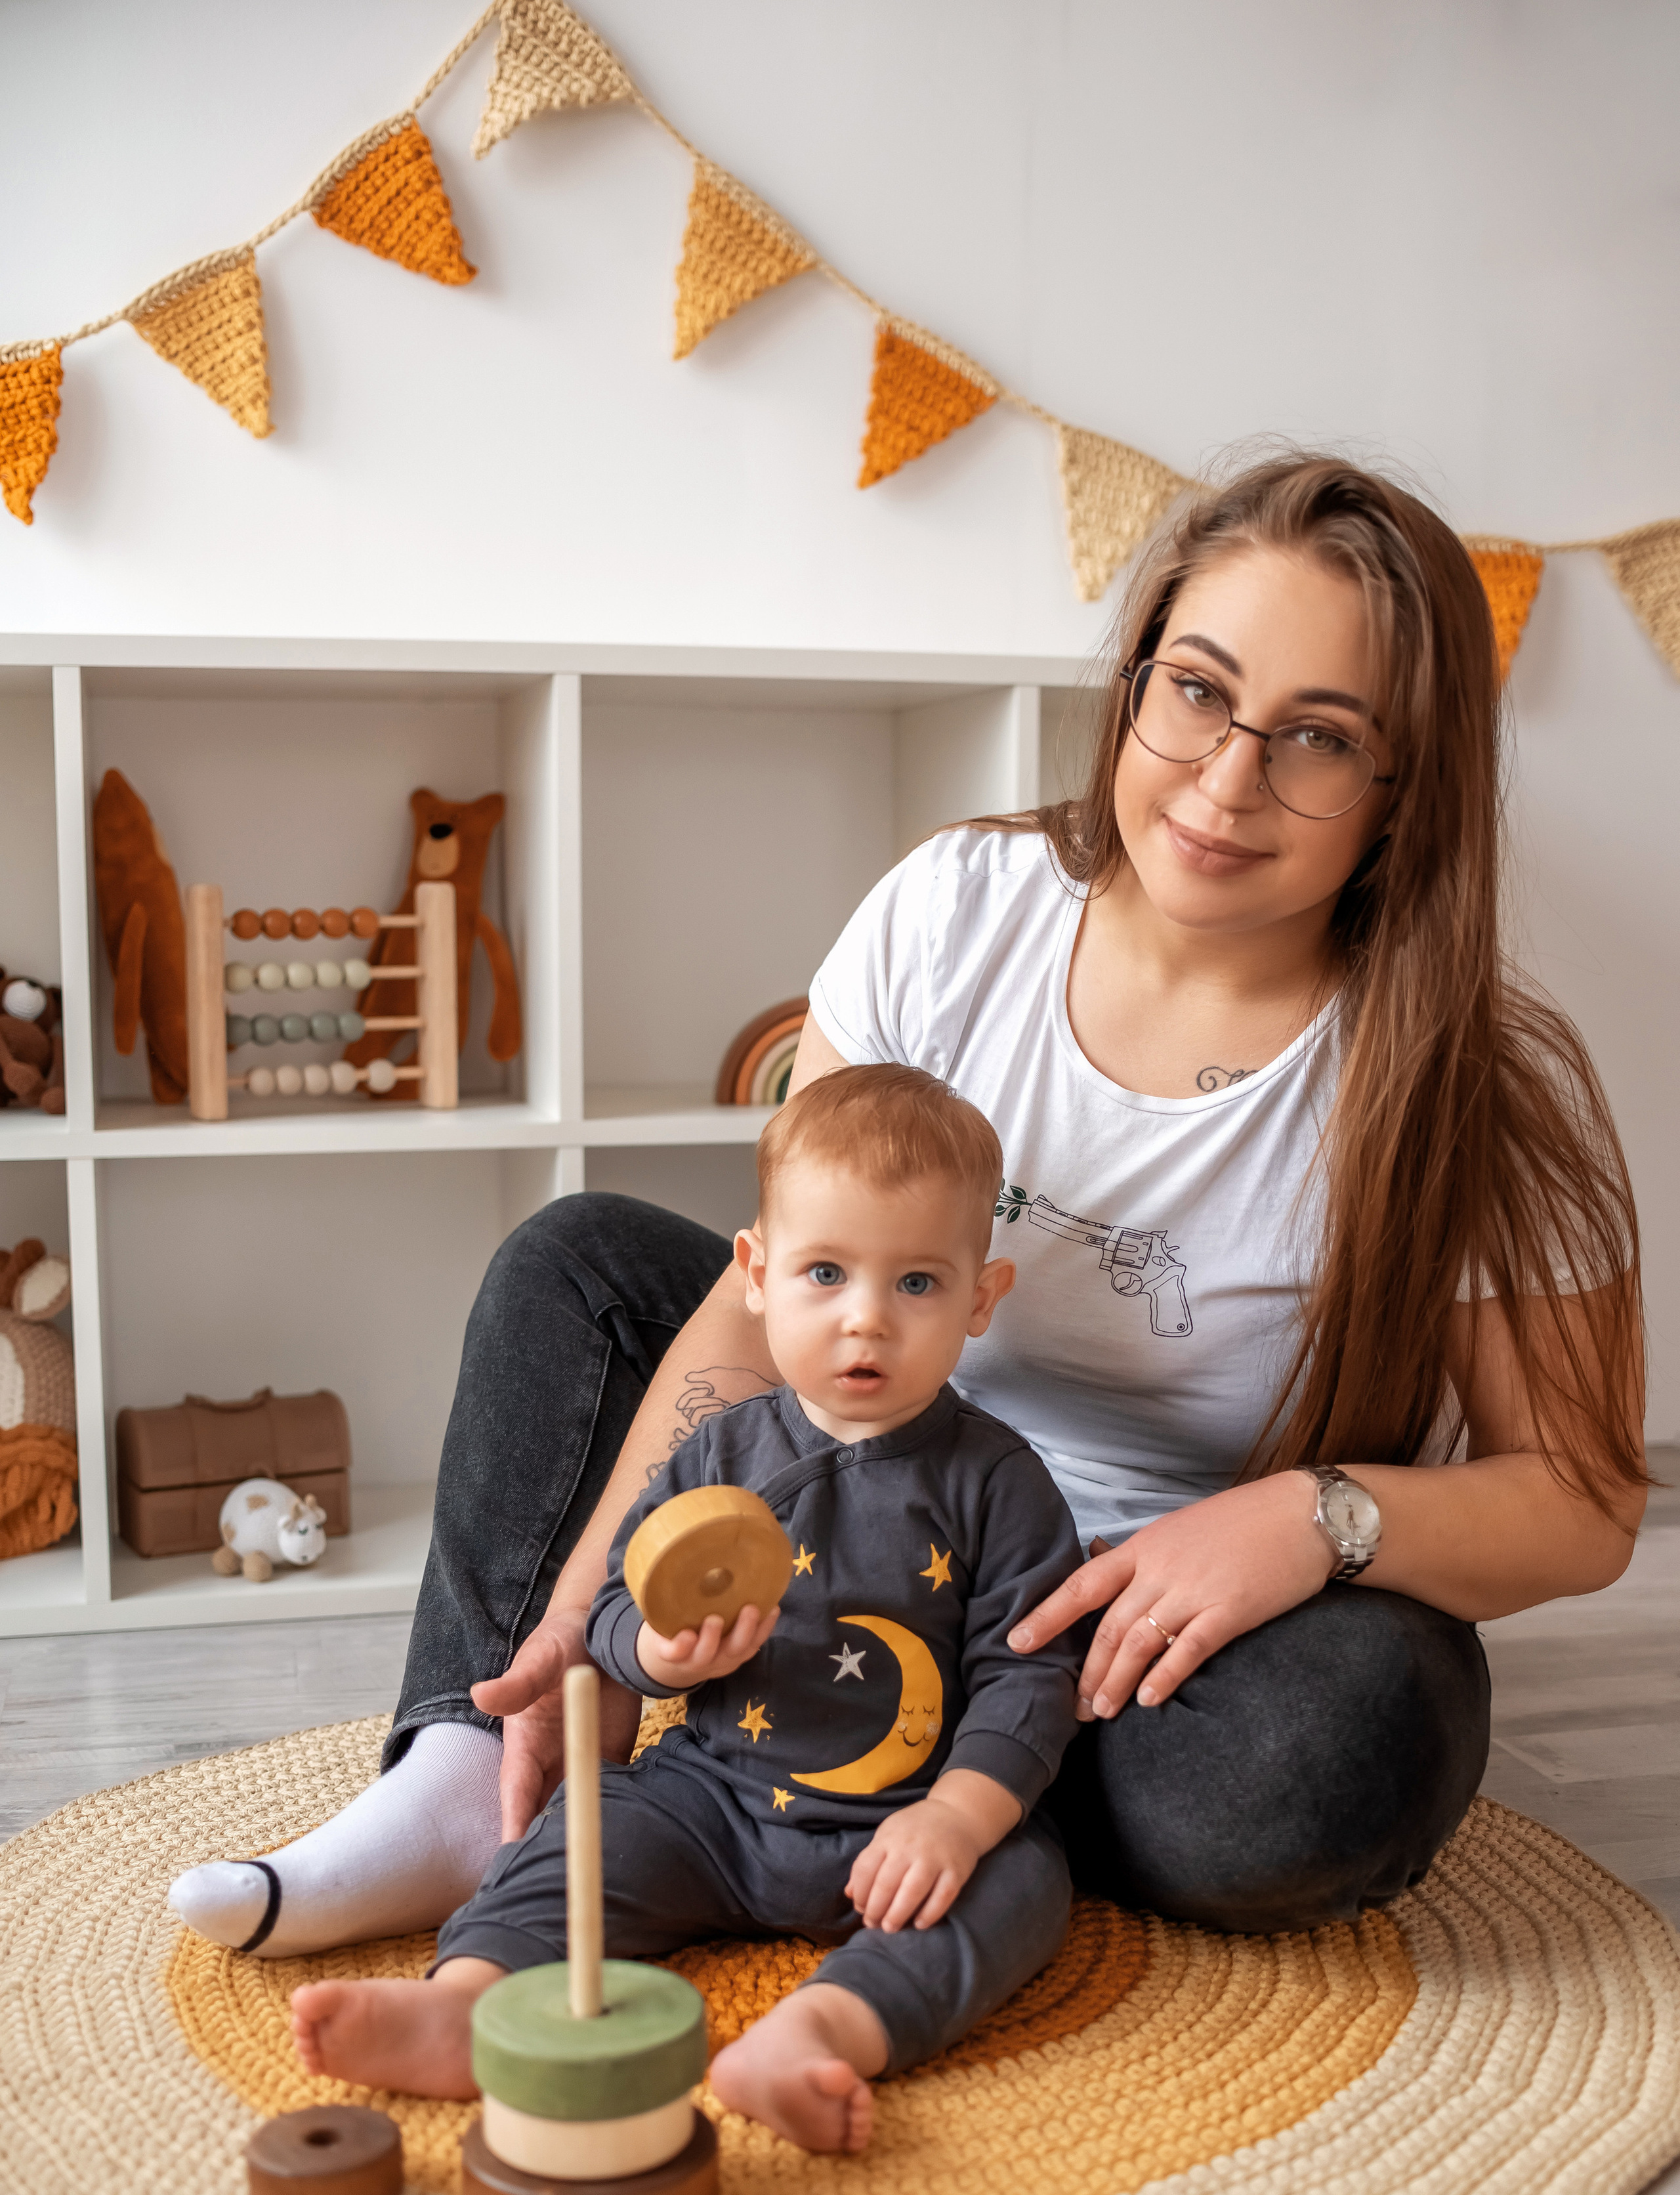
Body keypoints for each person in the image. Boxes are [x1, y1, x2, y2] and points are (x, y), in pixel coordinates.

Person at [169, 448, 1646, 1963]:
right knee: (580, 1266)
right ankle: (470, 1783)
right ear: (1136, 676)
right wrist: (600, 1602)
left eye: (1318, 738)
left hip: (1121, 1642)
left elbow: (1584, 1503)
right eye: (1197, 691)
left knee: (1353, 1733)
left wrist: (1312, 1519)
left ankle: (924, 1765)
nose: (1224, 780)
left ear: (1403, 795)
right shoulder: (957, 910)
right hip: (844, 1505)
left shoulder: (1473, 1089)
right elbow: (771, 1291)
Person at [289, 1067, 1084, 2152]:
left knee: (1023, 1881)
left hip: (898, 1818)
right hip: (710, 1800)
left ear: (981, 1298)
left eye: (917, 1283)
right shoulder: (719, 1451)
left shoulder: (1001, 1482)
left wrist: (957, 1817)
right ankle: (472, 1999)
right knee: (588, 1827)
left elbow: (1029, 1673)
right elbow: (617, 1606)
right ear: (756, 1274)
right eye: (825, 1272)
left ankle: (822, 2030)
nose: (865, 1317)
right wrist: (659, 1654)